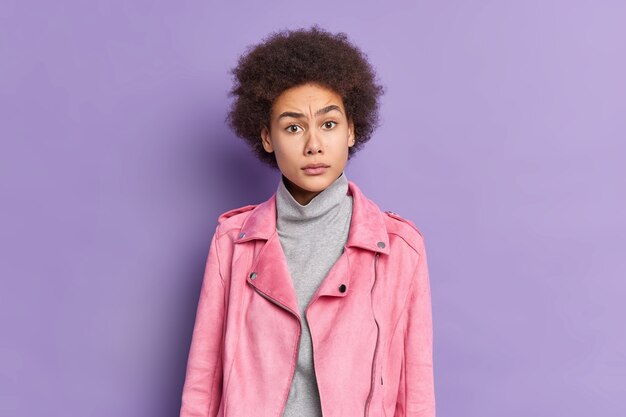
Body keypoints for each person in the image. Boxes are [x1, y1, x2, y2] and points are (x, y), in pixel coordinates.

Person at [180, 26, 435, 417]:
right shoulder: (232, 243)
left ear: (352, 129)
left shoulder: (400, 247)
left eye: (329, 124)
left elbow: (415, 393)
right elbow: (203, 381)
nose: (313, 144)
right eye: (293, 127)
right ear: (267, 137)